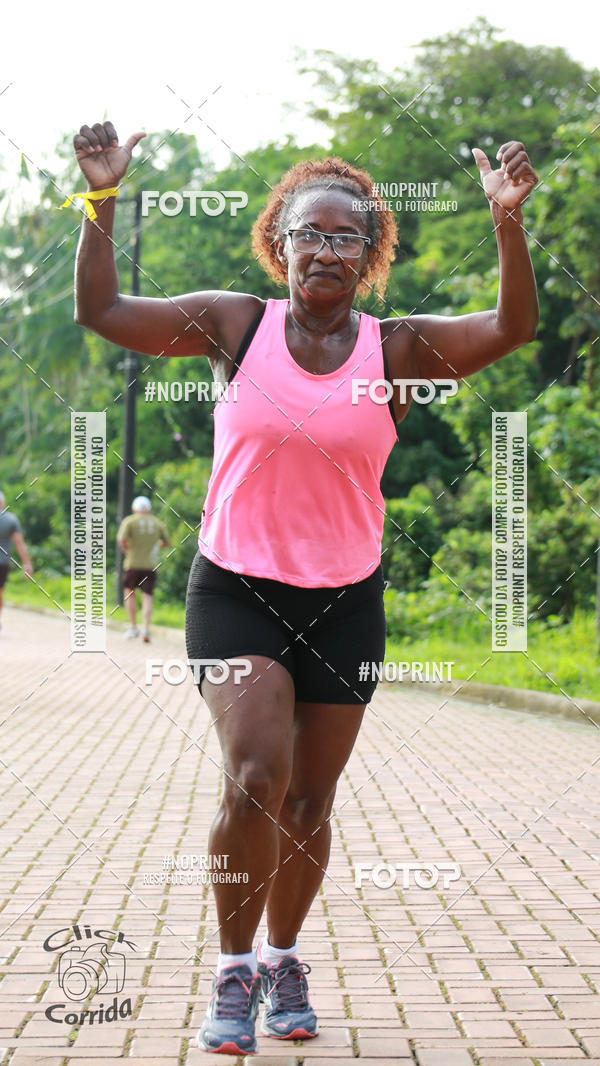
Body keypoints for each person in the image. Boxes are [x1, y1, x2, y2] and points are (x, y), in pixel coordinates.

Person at [70, 120, 538, 1055]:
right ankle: (233, 975)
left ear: (370, 255)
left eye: (345, 237)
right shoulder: (233, 324)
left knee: (309, 805)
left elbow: (510, 329)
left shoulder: (396, 351)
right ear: (278, 242)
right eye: (308, 234)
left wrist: (506, 223)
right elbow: (103, 311)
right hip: (236, 585)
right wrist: (102, 200)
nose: (325, 250)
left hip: (345, 597)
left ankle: (286, 955)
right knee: (254, 779)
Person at [117, 495, 171, 642]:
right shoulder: (157, 523)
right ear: (149, 509)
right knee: (148, 596)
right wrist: (155, 546)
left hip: (132, 564)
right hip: (150, 565)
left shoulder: (129, 521)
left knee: (129, 593)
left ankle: (133, 627)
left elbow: (121, 539)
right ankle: (146, 629)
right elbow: (167, 542)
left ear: (134, 509)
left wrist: (127, 549)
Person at [0, 490, 34, 632]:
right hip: (3, 563)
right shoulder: (12, 519)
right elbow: (19, 543)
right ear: (3, 503)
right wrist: (27, 563)